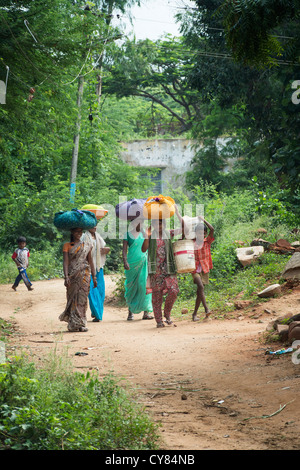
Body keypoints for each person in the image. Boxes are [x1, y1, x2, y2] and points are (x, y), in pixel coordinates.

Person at [142, 205, 185, 328]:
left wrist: (177, 213)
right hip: (156, 271)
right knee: (157, 296)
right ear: (153, 225)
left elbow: (184, 228)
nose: (158, 226)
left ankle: (167, 313)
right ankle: (159, 321)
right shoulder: (150, 235)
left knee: (174, 290)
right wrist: (146, 236)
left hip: (169, 269)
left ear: (164, 225)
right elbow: (143, 249)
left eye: (160, 224)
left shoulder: (169, 234)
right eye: (156, 224)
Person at [59, 227, 97, 332]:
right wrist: (66, 276)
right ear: (72, 232)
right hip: (72, 276)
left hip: (84, 275)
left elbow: (90, 262)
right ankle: (73, 323)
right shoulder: (67, 245)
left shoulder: (86, 245)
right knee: (72, 299)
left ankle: (81, 323)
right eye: (76, 231)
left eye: (80, 232)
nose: (79, 234)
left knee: (82, 299)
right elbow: (66, 262)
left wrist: (94, 277)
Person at [122, 218, 153, 321]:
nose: (141, 224)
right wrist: (125, 261)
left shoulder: (145, 233)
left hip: (144, 262)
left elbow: (149, 246)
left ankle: (146, 312)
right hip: (132, 264)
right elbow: (124, 250)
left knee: (144, 285)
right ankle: (130, 312)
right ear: (133, 223)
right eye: (138, 222)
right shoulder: (127, 234)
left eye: (142, 222)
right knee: (131, 287)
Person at [82, 226, 110, 322]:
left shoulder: (98, 236)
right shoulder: (84, 237)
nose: (95, 227)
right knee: (92, 291)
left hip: (99, 267)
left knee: (101, 291)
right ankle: (98, 315)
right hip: (89, 267)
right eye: (92, 225)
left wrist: (106, 250)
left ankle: (95, 312)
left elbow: (102, 248)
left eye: (96, 224)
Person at [191, 216, 215, 322]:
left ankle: (194, 314)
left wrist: (204, 220)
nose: (201, 234)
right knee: (200, 286)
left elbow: (212, 229)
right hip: (194, 269)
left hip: (205, 268)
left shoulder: (207, 242)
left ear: (205, 233)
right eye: (199, 232)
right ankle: (206, 309)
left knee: (199, 292)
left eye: (203, 233)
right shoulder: (192, 243)